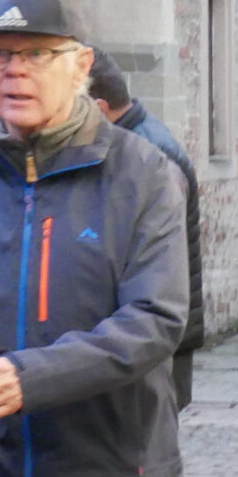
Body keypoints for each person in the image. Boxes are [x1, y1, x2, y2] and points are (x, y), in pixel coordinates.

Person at [0, 0, 189, 477]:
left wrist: (28, 377)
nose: (14, 71)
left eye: (36, 54)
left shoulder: (143, 173)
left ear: (80, 65)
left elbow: (156, 319)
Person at [85, 50, 202, 412]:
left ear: (100, 109)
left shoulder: (149, 159)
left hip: (150, 350)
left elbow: (160, 275)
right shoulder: (128, 145)